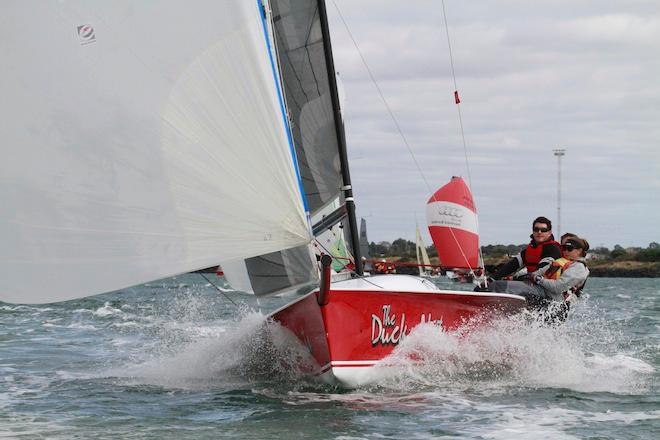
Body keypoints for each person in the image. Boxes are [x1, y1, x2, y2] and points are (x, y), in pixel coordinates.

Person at [488, 236, 590, 313]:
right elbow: (538, 272)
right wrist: (514, 277)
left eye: (569, 248)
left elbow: (557, 287)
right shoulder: (560, 262)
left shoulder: (579, 268)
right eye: (563, 248)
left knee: (499, 286)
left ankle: (487, 308)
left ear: (579, 251)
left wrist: (538, 279)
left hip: (553, 303)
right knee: (500, 283)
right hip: (541, 293)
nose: (565, 251)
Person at [492, 216, 561, 280]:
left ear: (549, 232)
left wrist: (515, 278)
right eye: (536, 229)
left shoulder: (553, 249)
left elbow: (541, 272)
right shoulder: (529, 249)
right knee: (498, 285)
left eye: (543, 230)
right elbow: (511, 265)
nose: (539, 232)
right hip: (530, 285)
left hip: (546, 288)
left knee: (503, 286)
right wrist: (493, 278)